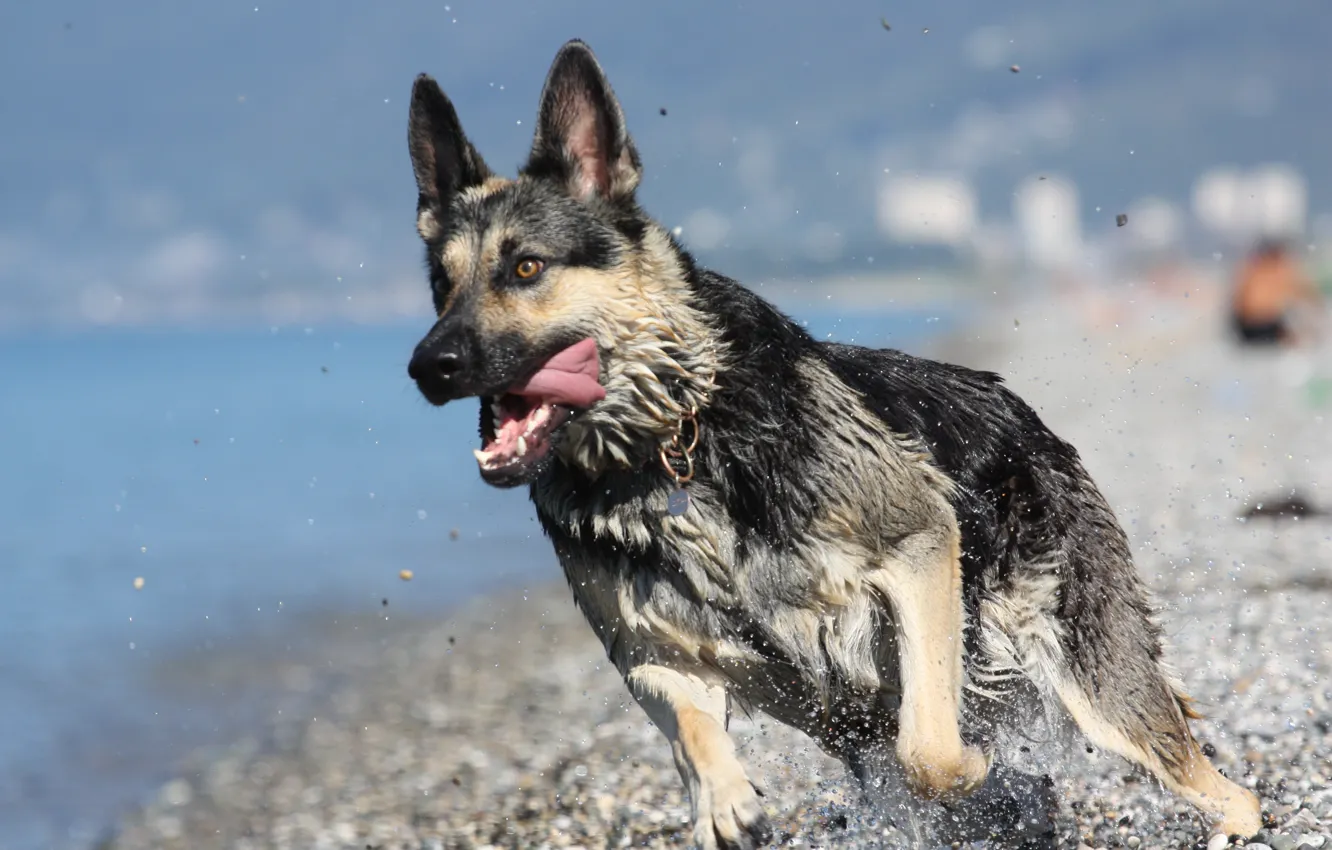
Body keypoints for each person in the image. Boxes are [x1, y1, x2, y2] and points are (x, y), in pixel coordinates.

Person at [1230, 239, 1325, 347]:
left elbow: (1237, 304)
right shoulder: (1278, 272)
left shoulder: (1249, 270)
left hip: (1247, 329)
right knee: (1298, 328)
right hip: (1265, 327)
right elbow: (1307, 293)